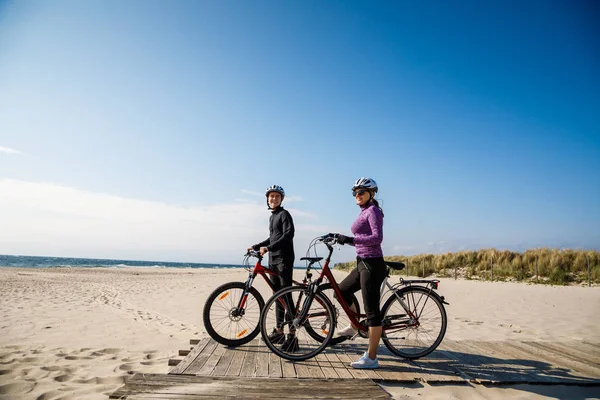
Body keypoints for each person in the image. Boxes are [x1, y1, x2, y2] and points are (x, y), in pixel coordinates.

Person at [333, 177, 385, 369]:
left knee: (372, 312)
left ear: (371, 193)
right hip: (362, 262)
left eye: (361, 192)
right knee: (341, 290)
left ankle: (371, 358)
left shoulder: (373, 211)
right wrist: (339, 238)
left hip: (372, 264)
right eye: (355, 193)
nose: (357, 195)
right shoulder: (365, 211)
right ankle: (355, 325)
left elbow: (377, 237)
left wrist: (350, 239)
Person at [247, 184, 297, 351]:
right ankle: (279, 331)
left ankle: (292, 336)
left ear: (281, 199)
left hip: (284, 259)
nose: (273, 199)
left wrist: (269, 247)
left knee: (286, 295)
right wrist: (257, 246)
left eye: (276, 196)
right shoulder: (272, 217)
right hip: (273, 259)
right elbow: (272, 238)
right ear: (267, 199)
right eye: (271, 196)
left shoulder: (284, 214)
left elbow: (288, 234)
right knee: (277, 296)